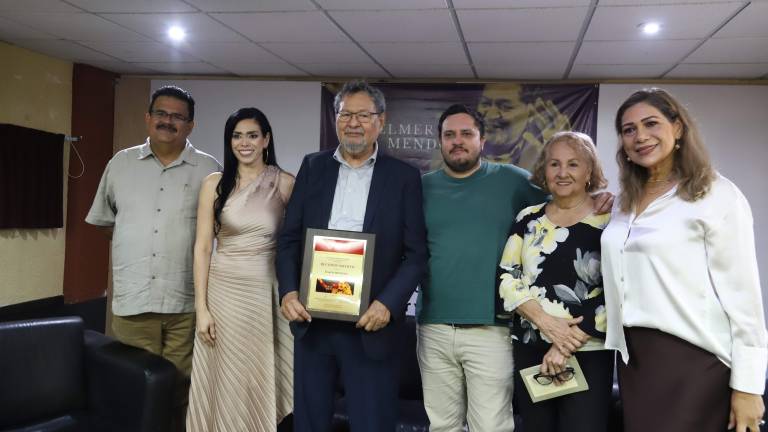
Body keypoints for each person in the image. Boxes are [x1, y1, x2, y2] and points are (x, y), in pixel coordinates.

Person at [601, 88, 767, 432]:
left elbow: (745, 299)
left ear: (677, 128)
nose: (640, 137)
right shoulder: (622, 204)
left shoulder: (716, 195)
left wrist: (749, 386)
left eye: (651, 124)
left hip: (694, 357)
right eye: (629, 130)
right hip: (635, 360)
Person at [275, 80, 428, 432]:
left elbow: (416, 254)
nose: (354, 123)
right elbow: (289, 239)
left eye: (363, 115)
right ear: (335, 118)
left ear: (381, 121)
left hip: (370, 325)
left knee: (371, 423)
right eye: (346, 114)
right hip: (313, 324)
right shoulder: (313, 168)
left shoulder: (403, 178)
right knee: (310, 423)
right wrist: (288, 292)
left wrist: (388, 305)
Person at [85, 85, 220, 429]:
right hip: (134, 303)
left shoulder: (209, 169)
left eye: (178, 116)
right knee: (134, 386)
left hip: (186, 305)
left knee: (179, 388)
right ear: (147, 118)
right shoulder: (121, 163)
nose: (168, 121)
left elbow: (218, 232)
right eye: (161, 113)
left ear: (191, 125)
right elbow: (105, 222)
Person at [416, 104, 547, 431]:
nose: (457, 141)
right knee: (442, 425)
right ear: (440, 141)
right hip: (433, 326)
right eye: (449, 135)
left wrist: (599, 199)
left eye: (466, 134)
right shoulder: (420, 187)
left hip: (491, 328)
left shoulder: (512, 181)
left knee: (491, 426)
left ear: (482, 139)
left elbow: (563, 203)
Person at [186, 108, 295, 431]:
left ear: (266, 140)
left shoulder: (286, 183)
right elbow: (203, 247)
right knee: (224, 376)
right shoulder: (214, 184)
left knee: (257, 375)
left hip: (265, 296)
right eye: (237, 135)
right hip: (222, 297)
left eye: (252, 135)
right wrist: (201, 308)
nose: (244, 143)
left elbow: (295, 246)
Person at [498, 131, 614, 432]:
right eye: (554, 164)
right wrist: (546, 323)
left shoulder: (612, 221)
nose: (563, 173)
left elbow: (617, 289)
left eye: (573, 164)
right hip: (530, 348)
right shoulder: (528, 218)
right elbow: (507, 276)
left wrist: (563, 344)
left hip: (587, 351)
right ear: (544, 170)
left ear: (589, 171)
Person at [478, 83, 570, 170]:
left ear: (530, 111)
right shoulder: (468, 153)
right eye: (485, 104)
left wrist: (562, 150)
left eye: (505, 107)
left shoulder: (539, 153)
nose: (491, 115)